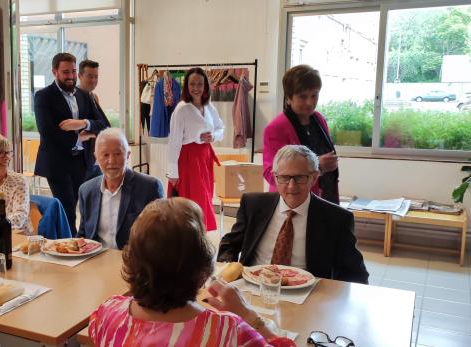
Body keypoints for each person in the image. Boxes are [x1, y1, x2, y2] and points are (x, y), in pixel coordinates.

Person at [88, 198, 294, 347]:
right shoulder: (230, 332)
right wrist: (250, 317)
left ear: (132, 260)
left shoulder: (106, 314)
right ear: (202, 264)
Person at [218, 145, 369, 284]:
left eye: (300, 178)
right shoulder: (253, 204)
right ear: (275, 176)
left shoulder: (337, 218)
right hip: (254, 285)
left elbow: (355, 273)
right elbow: (230, 244)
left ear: (314, 177)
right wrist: (227, 270)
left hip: (308, 292)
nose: (291, 186)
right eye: (284, 177)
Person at [34, 52, 109, 234]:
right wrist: (80, 137)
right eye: (66, 72)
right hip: (57, 163)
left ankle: (75, 243)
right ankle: (68, 249)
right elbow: (47, 132)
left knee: (79, 206)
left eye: (73, 72)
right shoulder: (44, 96)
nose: (70, 76)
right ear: (54, 72)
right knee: (67, 210)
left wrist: (82, 123)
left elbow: (104, 124)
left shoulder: (84, 95)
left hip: (81, 163)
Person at [263, 64, 339, 204]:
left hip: (325, 198)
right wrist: (317, 167)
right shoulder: (276, 128)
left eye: (314, 95)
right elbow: (270, 174)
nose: (310, 102)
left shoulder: (319, 119)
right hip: (292, 204)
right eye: (302, 97)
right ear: (289, 98)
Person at [77, 128, 163, 249]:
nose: (111, 161)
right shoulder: (86, 190)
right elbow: (83, 236)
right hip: (96, 260)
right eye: (105, 155)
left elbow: (159, 238)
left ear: (127, 155)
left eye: (117, 154)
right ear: (96, 157)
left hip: (134, 261)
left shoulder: (150, 187)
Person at [166, 67, 224, 231]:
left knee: (205, 196)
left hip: (204, 158)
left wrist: (214, 136)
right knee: (192, 199)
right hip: (188, 159)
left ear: (206, 86)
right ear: (187, 86)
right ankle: (189, 235)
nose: (196, 88)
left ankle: (200, 234)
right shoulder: (181, 109)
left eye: (200, 84)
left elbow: (221, 129)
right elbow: (174, 142)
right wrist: (173, 173)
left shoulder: (210, 107)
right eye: (192, 84)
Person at [78, 59, 111, 180]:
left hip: (96, 155)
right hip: (83, 158)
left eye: (96, 76)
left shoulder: (94, 97)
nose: (93, 80)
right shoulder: (75, 98)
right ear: (80, 76)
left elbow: (101, 125)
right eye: (89, 76)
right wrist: (92, 133)